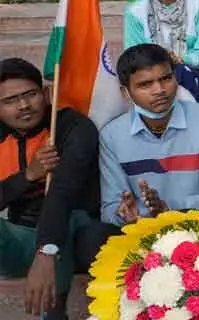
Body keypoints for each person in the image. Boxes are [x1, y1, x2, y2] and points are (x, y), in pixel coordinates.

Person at [0, 58, 111, 320]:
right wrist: (28, 176)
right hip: (19, 238)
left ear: (47, 93)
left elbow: (63, 189)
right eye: (10, 100)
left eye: (30, 95)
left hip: (73, 231)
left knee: (71, 221)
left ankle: (54, 312)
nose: (24, 105)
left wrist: (46, 249)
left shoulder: (73, 126)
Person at [99, 44, 199, 227]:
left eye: (166, 78)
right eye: (145, 84)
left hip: (198, 225)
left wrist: (169, 208)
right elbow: (109, 208)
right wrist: (124, 214)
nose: (159, 90)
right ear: (125, 93)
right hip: (142, 231)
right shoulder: (111, 136)